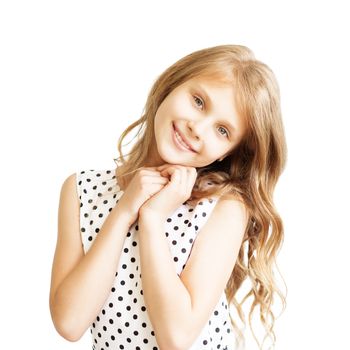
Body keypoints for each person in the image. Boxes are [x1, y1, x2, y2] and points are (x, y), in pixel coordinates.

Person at [49, 44, 287, 350]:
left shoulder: (223, 209)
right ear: (172, 84)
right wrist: (123, 212)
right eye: (198, 101)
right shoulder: (82, 190)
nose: (197, 129)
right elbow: (69, 322)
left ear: (230, 152)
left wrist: (152, 219)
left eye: (223, 130)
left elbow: (175, 338)